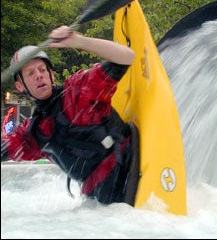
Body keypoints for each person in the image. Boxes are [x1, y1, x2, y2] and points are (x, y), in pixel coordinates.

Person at [1, 26, 140, 205]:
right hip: (100, 203)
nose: (39, 76)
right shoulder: (32, 134)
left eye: (42, 70)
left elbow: (126, 57)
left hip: (128, 176)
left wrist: (79, 41)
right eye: (30, 73)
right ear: (20, 87)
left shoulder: (78, 92)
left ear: (51, 75)